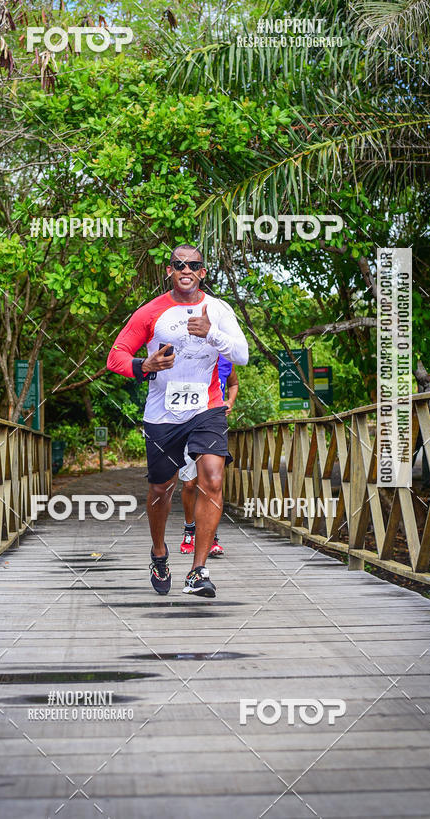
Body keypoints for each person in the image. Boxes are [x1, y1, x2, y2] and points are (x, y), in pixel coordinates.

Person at [106, 245, 249, 597]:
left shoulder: (218, 309)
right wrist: (145, 366)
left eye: (194, 265)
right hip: (163, 414)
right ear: (169, 271)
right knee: (160, 488)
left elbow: (242, 355)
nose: (186, 269)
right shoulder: (152, 311)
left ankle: (198, 571)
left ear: (203, 272)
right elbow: (115, 357)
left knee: (212, 478)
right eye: (178, 264)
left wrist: (211, 333)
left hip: (207, 407)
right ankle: (159, 554)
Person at [179, 359, 239, 557]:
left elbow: (234, 383)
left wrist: (230, 401)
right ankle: (190, 529)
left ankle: (211, 536)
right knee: (189, 484)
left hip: (212, 424)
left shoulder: (225, 359)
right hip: (185, 423)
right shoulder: (187, 354)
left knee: (210, 485)